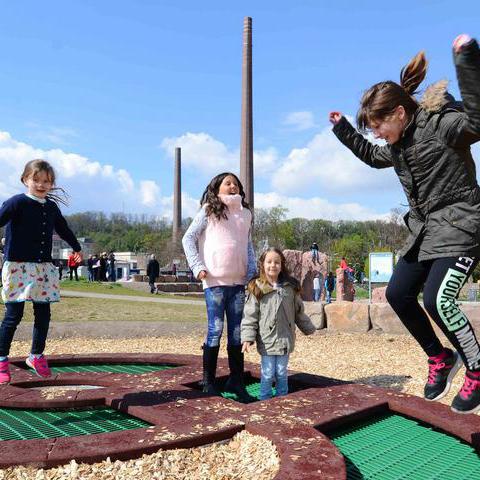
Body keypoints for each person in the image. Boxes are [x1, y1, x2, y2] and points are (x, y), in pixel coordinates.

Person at [329, 34, 480, 414]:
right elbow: (371, 155)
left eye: (378, 126)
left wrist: (467, 61)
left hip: (462, 224)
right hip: (426, 231)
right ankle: (440, 357)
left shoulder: (442, 123)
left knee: (438, 300)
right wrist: (345, 129)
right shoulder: (397, 146)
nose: (377, 134)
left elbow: (477, 120)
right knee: (397, 294)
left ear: (398, 113)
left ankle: (477, 368)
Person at [0, 159, 81, 384]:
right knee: (13, 316)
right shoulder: (16, 203)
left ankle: (36, 355)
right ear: (25, 179)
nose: (41, 184)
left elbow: (63, 228)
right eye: (36, 179)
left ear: (52, 184)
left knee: (43, 314)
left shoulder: (51, 207)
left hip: (42, 268)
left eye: (46, 181)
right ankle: (1, 360)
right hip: (17, 266)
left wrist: (76, 247)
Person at [183, 172, 257, 402]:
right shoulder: (208, 210)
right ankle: (208, 381)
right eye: (227, 183)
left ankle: (236, 381)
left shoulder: (246, 214)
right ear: (217, 189)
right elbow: (188, 238)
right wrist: (197, 266)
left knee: (236, 332)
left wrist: (252, 270)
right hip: (214, 281)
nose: (233, 186)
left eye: (236, 184)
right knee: (215, 330)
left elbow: (248, 244)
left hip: (238, 282)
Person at [241, 248, 315, 400]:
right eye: (269, 262)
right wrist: (247, 338)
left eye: (276, 262)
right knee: (267, 373)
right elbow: (250, 315)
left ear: (281, 265)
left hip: (284, 338)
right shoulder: (257, 288)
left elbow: (298, 311)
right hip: (267, 339)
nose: (272, 265)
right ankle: (265, 398)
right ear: (262, 265)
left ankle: (282, 398)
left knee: (281, 372)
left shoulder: (289, 288)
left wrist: (308, 328)